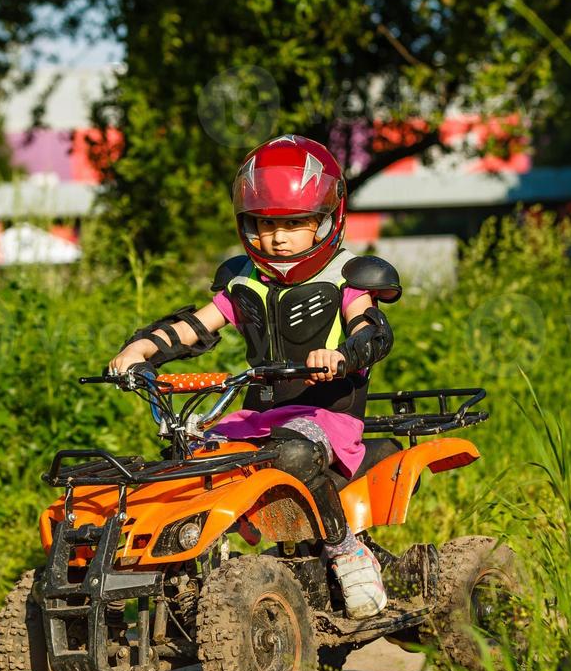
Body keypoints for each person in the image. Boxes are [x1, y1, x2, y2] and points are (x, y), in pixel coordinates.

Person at [108, 134, 400, 619]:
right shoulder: (243, 278)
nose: (277, 238)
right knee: (190, 450)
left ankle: (345, 549)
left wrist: (343, 356)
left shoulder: (347, 276)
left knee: (293, 451)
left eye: (294, 224)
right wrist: (141, 349)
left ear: (326, 219)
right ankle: (196, 563)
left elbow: (372, 333)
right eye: (264, 224)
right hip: (258, 414)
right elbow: (195, 327)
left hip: (324, 415)